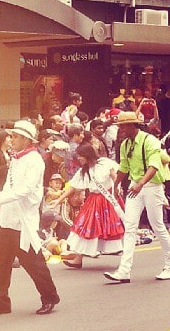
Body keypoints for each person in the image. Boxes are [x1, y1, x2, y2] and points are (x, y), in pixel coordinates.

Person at [0, 120, 60, 315]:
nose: (11, 140)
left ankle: (49, 297)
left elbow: (24, 190)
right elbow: (10, 187)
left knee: (33, 262)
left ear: (26, 139)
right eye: (11, 136)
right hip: (7, 218)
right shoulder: (16, 158)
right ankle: (1, 301)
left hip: (23, 220)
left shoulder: (34, 161)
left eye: (15, 137)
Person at [104, 111, 170, 283]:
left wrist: (140, 183)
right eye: (120, 126)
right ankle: (124, 271)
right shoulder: (125, 144)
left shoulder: (150, 141)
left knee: (157, 226)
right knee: (130, 227)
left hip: (152, 186)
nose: (122, 129)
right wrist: (116, 184)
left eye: (124, 126)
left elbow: (154, 165)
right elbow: (124, 167)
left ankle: (169, 265)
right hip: (135, 186)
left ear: (133, 125)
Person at [50, 143, 123, 269]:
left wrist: (116, 188)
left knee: (105, 228)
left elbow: (115, 177)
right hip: (94, 201)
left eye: (81, 156)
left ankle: (125, 259)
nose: (79, 159)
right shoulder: (84, 170)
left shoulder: (104, 163)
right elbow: (73, 186)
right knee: (84, 228)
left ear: (88, 155)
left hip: (107, 199)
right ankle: (78, 258)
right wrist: (59, 200)